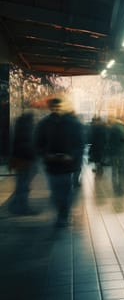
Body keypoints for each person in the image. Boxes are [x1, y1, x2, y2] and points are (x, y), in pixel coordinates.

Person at [35, 97, 84, 227]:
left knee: (65, 191)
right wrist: (46, 155)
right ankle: (61, 213)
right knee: (57, 192)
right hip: (52, 164)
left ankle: (63, 215)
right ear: (51, 108)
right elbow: (38, 143)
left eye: (59, 106)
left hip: (66, 165)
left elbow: (79, 144)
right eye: (54, 107)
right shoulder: (44, 124)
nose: (57, 109)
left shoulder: (72, 124)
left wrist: (72, 156)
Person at [8, 110, 38, 215]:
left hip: (20, 160)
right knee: (23, 186)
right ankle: (22, 208)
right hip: (25, 160)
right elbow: (27, 145)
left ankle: (15, 205)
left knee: (22, 185)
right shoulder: (26, 128)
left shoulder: (19, 126)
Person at [107, 117, 124, 196]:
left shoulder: (112, 127)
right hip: (121, 152)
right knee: (122, 171)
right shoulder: (120, 127)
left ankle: (115, 188)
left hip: (113, 152)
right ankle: (121, 189)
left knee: (114, 171)